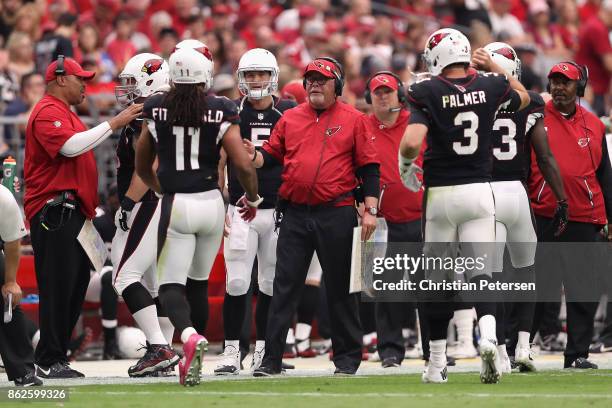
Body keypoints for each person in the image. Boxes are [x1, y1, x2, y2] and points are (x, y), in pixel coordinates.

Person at [398, 28, 530, 384]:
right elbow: (523, 97)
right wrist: (498, 71)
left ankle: (437, 364)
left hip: (441, 195)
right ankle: (488, 336)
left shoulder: (425, 90)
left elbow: (412, 141)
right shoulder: (489, 85)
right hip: (480, 192)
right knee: (481, 272)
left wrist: (405, 166)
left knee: (436, 280)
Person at [248, 57, 380, 377]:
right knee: (284, 286)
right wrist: (250, 155)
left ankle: (347, 358)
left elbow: (369, 167)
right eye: (310, 79)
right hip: (294, 212)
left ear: (338, 84)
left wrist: (371, 211)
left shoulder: (354, 118)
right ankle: (271, 358)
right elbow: (269, 155)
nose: (315, 84)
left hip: (335, 211)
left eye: (322, 79)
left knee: (340, 288)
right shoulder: (290, 118)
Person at [135, 47, 260, 386]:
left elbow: (142, 165)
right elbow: (243, 163)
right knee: (199, 283)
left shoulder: (156, 108)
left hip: (176, 201)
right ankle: (196, 346)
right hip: (211, 202)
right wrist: (253, 196)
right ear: (205, 73)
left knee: (171, 285)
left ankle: (189, 336)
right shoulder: (221, 109)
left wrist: (160, 189)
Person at [24, 56, 141, 378]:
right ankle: (47, 360)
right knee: (58, 287)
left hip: (74, 214)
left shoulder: (68, 113)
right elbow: (70, 148)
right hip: (55, 212)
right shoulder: (48, 111)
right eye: (80, 80)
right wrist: (114, 123)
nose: (85, 86)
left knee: (73, 288)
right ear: (60, 79)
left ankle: (56, 357)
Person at [484, 42, 568, 373]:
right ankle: (522, 346)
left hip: (484, 193)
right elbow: (545, 157)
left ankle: (500, 348)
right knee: (525, 271)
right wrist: (562, 198)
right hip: (517, 193)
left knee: (491, 276)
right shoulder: (530, 103)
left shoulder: (474, 100)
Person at [215, 48, 297, 375]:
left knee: (269, 283)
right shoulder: (230, 111)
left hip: (277, 209)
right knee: (236, 283)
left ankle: (264, 349)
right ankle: (232, 350)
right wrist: (218, 202)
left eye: (262, 74)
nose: (257, 80)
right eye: (251, 74)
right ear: (241, 79)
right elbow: (219, 160)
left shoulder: (288, 112)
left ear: (273, 76)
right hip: (240, 208)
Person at [528, 61, 612, 369]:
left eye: (566, 82)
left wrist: (610, 216)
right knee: (537, 289)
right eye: (555, 81)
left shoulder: (594, 124)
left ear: (580, 87)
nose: (559, 87)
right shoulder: (535, 119)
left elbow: (604, 174)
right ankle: (515, 348)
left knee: (583, 292)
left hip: (583, 217)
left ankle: (577, 355)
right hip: (544, 215)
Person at [112, 52, 180, 377]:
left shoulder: (152, 111)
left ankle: (159, 346)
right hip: (166, 200)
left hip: (148, 199)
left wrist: (127, 201)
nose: (126, 89)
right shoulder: (167, 106)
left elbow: (148, 164)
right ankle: (164, 352)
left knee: (123, 276)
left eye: (131, 81)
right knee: (153, 283)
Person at [363, 70, 423, 368]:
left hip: (422, 215)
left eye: (388, 91)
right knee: (387, 290)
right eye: (378, 92)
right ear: (370, 98)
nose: (384, 96)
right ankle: (389, 349)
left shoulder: (417, 122)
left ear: (399, 94)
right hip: (384, 221)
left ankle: (433, 345)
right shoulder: (363, 127)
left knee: (429, 285)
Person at [0, 184, 43, 386]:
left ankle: (23, 371)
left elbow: (11, 243)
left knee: (9, 300)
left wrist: (10, 282)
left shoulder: (3, 199)